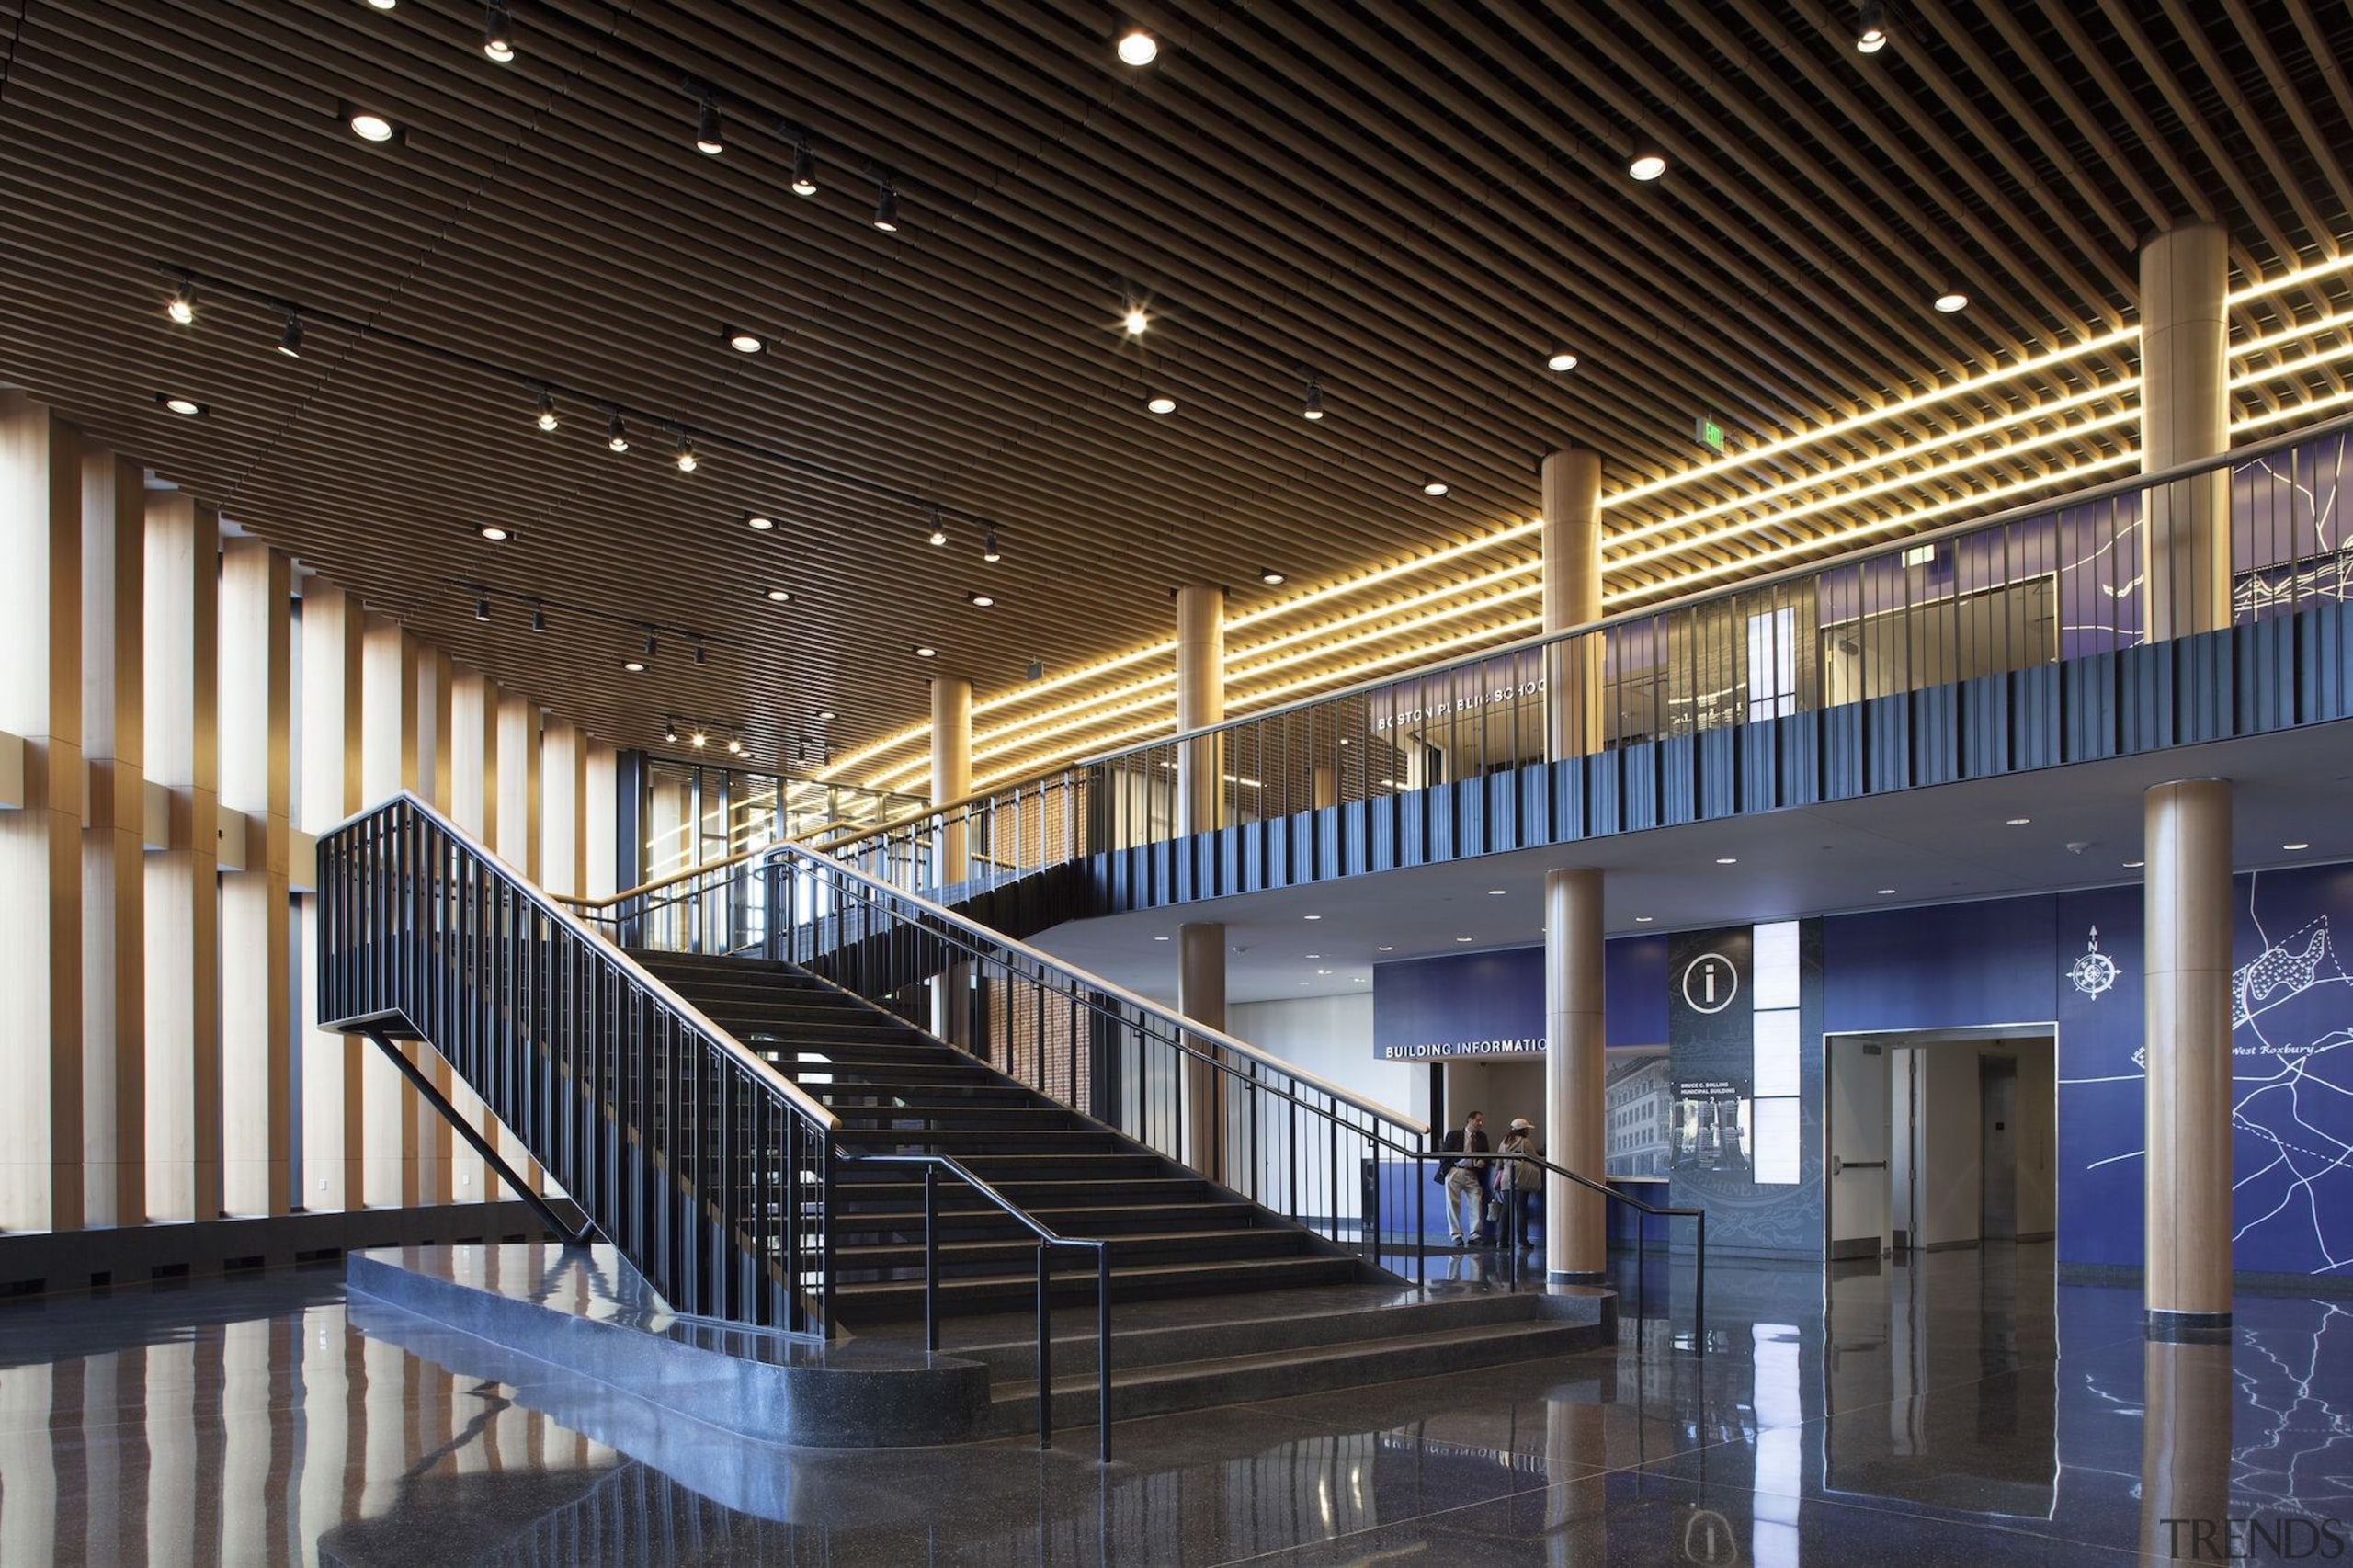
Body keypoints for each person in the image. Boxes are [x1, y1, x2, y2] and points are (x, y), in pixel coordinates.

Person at [1434, 1109, 1490, 1245]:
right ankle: (1456, 1235)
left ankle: (1475, 1235)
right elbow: (1445, 1153)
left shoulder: (1482, 1137)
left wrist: (1482, 1162)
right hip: (1455, 1170)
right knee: (1453, 1203)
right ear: (1469, 1120)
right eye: (1478, 1121)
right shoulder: (1454, 1135)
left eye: (1482, 1122)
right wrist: (1449, 1168)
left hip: (1472, 1172)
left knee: (1476, 1202)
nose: (1480, 1124)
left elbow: (1487, 1154)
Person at [1494, 1117, 1542, 1250]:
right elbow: (1535, 1158)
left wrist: (1496, 1180)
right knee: (1521, 1209)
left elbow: (1498, 1164)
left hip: (1506, 1179)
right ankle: (1522, 1240)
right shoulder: (1525, 1142)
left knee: (1506, 1211)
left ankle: (1502, 1240)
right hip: (1520, 1179)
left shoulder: (1504, 1141)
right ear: (1523, 1130)